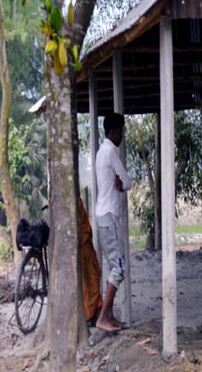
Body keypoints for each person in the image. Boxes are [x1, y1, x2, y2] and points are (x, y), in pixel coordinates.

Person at [94, 112, 132, 332]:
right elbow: (127, 181)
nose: (122, 136)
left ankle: (109, 316)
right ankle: (102, 318)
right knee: (118, 269)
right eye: (121, 131)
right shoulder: (111, 152)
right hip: (110, 216)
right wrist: (123, 182)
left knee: (113, 267)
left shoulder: (101, 152)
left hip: (103, 215)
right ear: (114, 131)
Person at [78, 197, 103, 326]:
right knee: (89, 280)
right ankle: (89, 315)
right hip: (80, 246)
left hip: (84, 244)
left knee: (93, 277)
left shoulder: (77, 201)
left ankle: (93, 314)